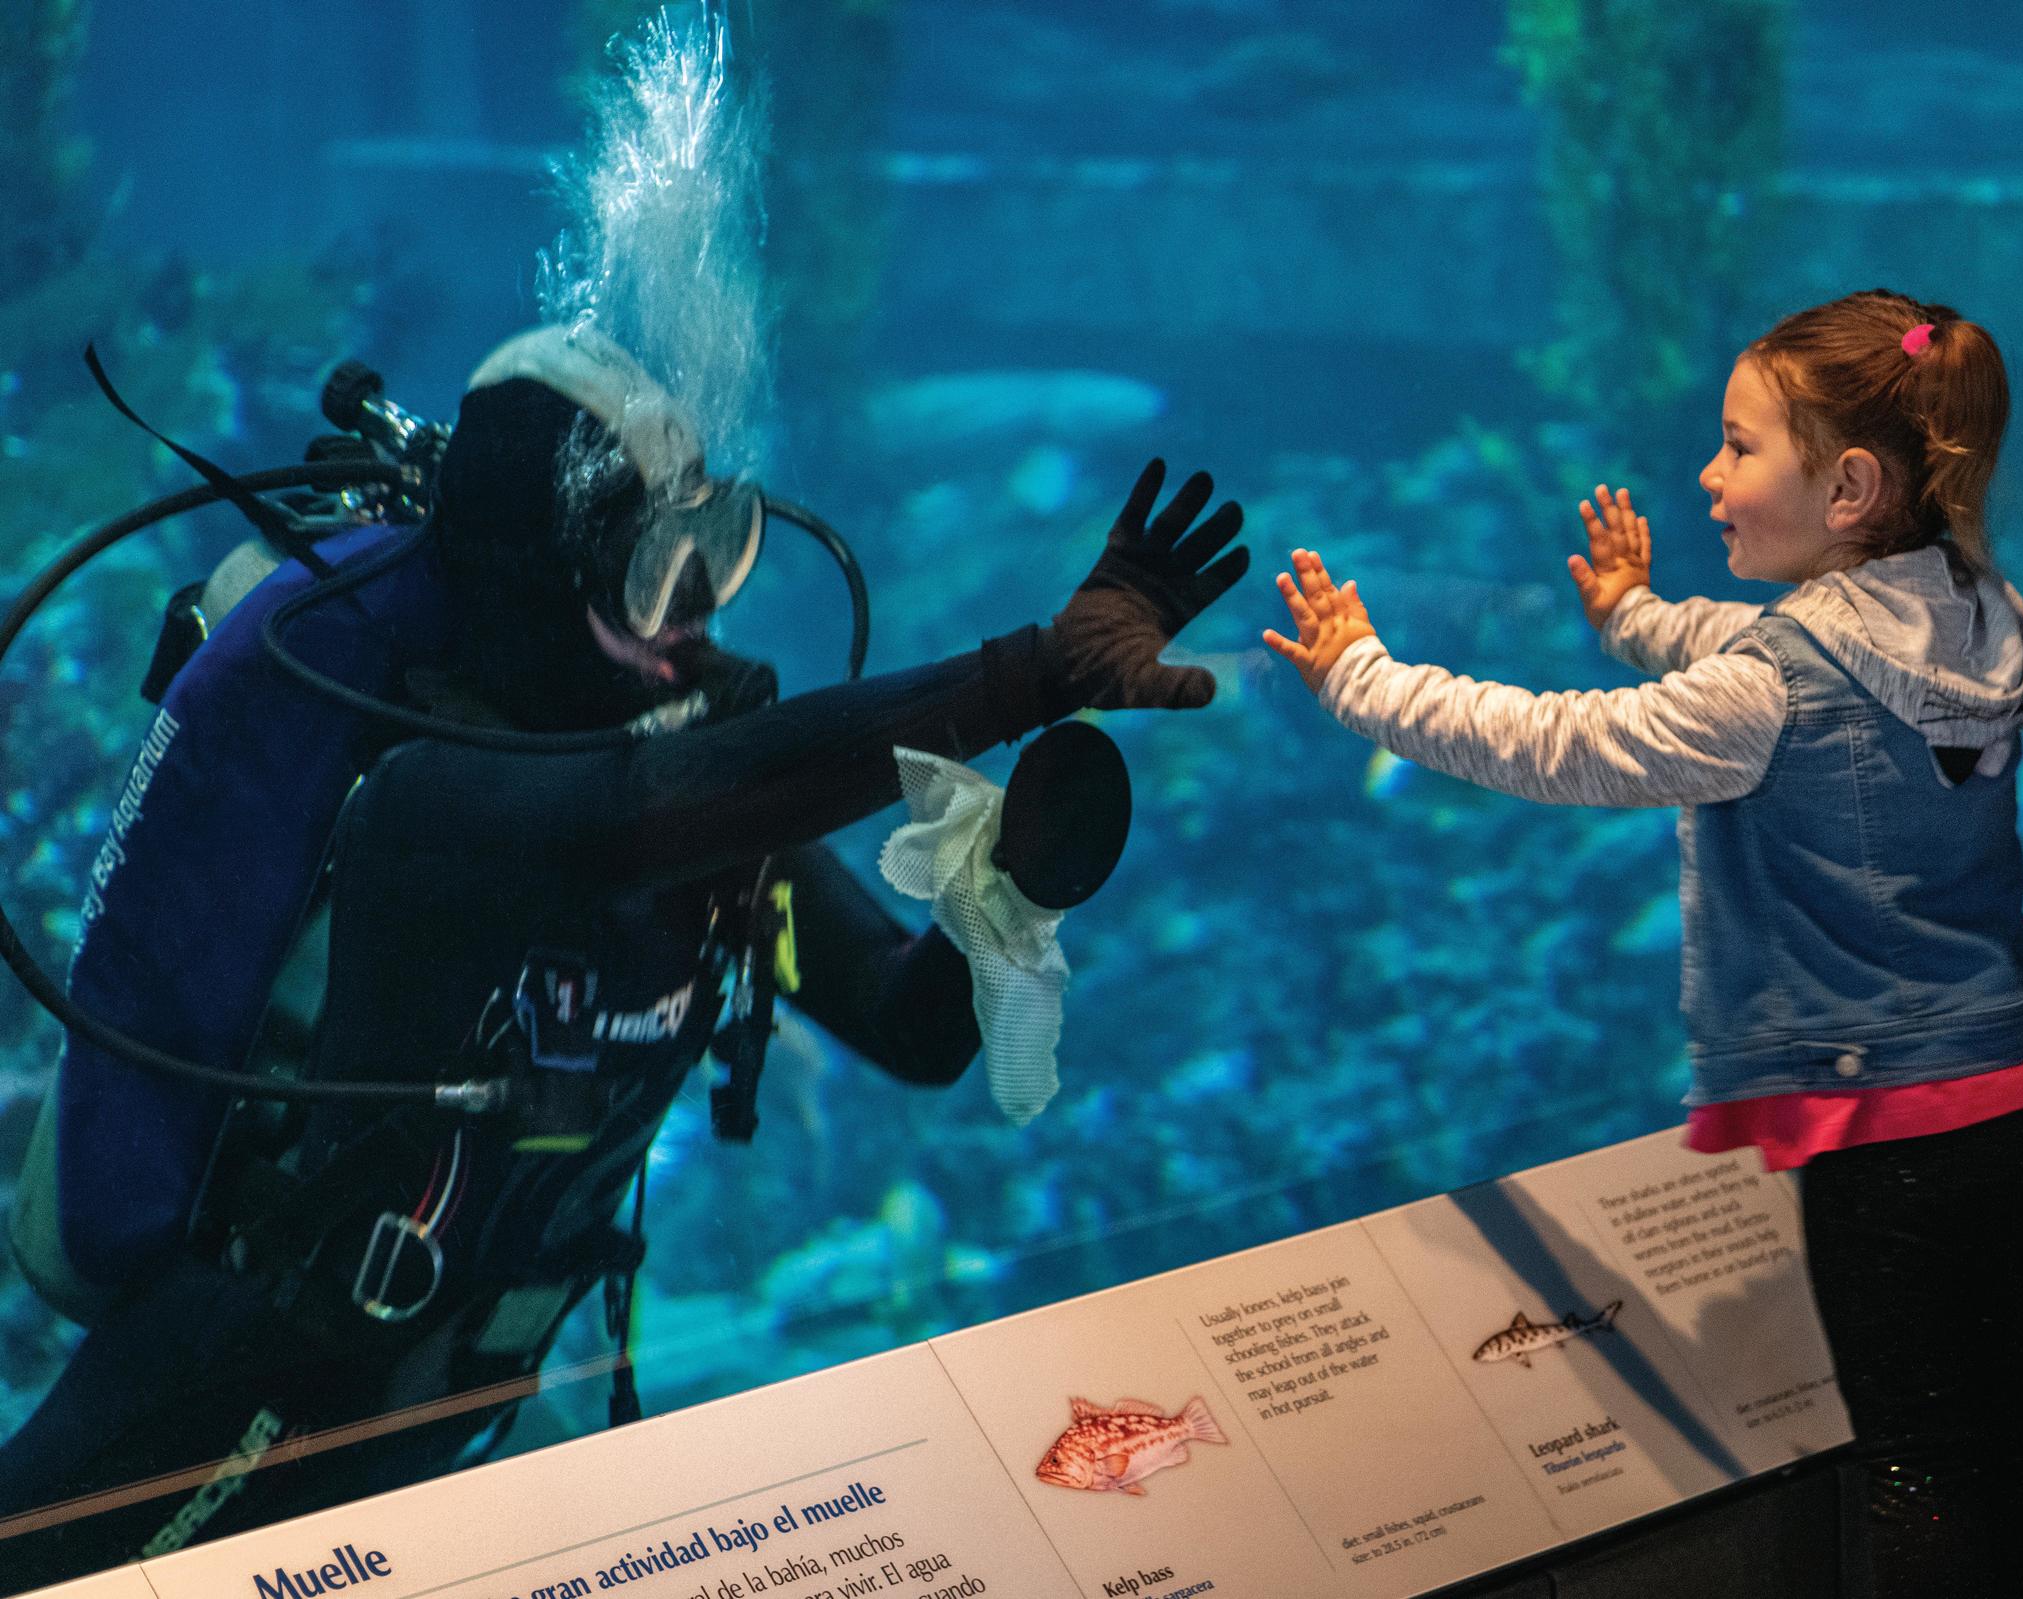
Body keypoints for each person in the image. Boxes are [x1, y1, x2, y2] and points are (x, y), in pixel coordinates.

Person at [0, 323, 1249, 1581]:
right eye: (651, 573)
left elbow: (907, 1021)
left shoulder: (702, 826)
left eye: (713, 552)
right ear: (539, 596)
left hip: (452, 1404)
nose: (694, 619)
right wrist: (1034, 672)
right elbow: (685, 801)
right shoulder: (436, 815)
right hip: (243, 1397)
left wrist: (1018, 886)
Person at [1266, 289, 2023, 1596]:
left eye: (1741, 445)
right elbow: (1780, 643)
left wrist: (1365, 678)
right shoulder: (1985, 611)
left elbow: (1565, 742)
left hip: (1894, 1135)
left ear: (1853, 486)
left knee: (1918, 1457)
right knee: (2003, 1433)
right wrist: (1639, 615)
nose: (1709, 472)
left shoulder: (1772, 686)